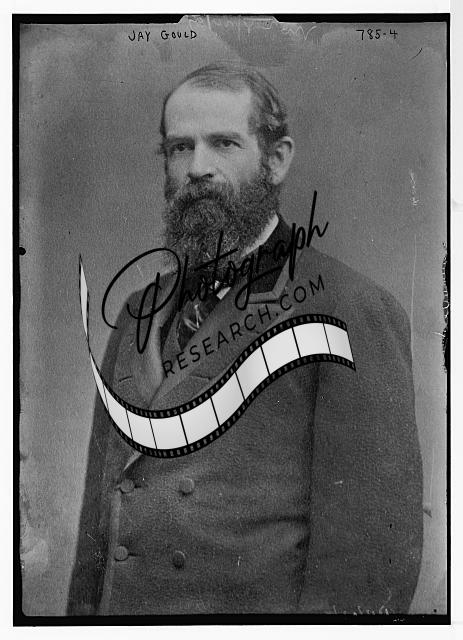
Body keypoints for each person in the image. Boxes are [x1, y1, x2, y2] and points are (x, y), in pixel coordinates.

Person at [67, 63, 423, 616]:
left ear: (276, 160)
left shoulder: (349, 309)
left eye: (224, 144)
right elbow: (98, 534)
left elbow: (370, 566)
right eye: (180, 148)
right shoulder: (137, 313)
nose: (197, 168)